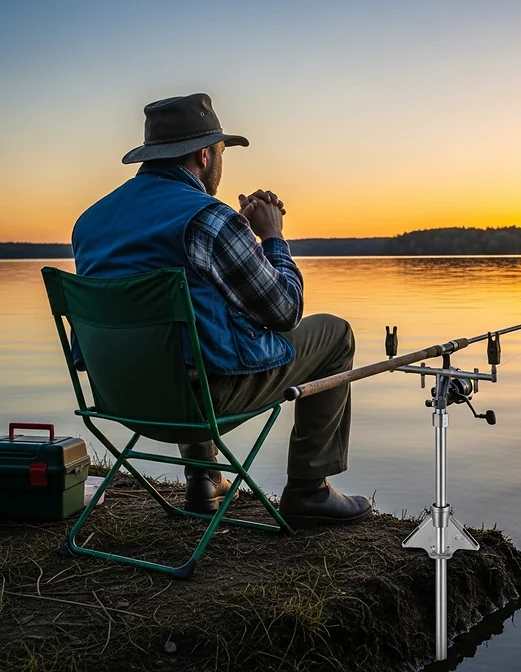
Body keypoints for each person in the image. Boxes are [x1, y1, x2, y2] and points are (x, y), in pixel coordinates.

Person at [71, 93, 372, 528]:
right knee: (335, 334)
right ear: (204, 154)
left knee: (184, 339)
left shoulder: (89, 222)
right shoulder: (208, 218)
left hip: (120, 399)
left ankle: (204, 479)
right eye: (222, 153)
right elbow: (285, 312)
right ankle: (310, 490)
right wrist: (270, 237)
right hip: (197, 406)